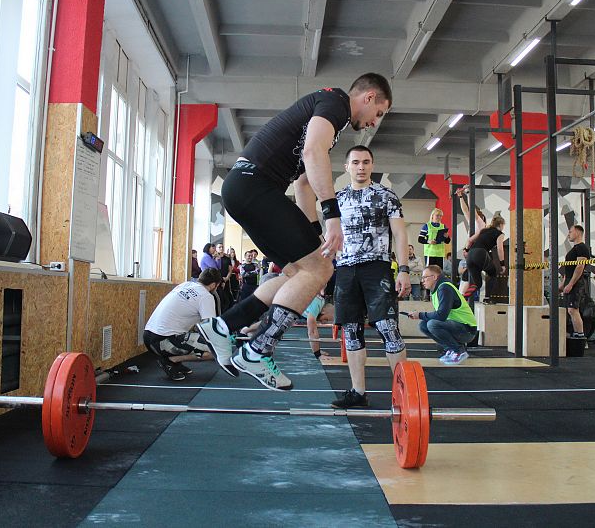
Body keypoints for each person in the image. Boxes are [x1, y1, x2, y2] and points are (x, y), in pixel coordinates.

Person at [196, 73, 392, 391]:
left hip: (242, 188)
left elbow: (303, 183)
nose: (374, 122)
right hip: (255, 186)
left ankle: (224, 325)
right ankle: (258, 350)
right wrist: (332, 216)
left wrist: (314, 233)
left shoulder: (329, 115)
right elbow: (313, 153)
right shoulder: (336, 103)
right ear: (368, 97)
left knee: (298, 273)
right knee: (321, 269)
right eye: (378, 113)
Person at [331, 145, 410, 409]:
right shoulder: (337, 199)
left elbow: (400, 234)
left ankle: (404, 396)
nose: (361, 167)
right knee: (351, 331)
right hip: (345, 269)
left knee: (388, 328)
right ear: (347, 167)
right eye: (355, 162)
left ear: (372, 165)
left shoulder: (387, 196)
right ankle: (358, 392)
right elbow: (330, 238)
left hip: (377, 268)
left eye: (365, 162)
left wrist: (404, 270)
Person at [143, 268, 221, 380]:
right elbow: (209, 328)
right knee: (217, 348)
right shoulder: (206, 296)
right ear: (213, 285)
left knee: (187, 335)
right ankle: (172, 360)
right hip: (163, 342)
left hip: (148, 337)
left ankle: (174, 361)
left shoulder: (185, 285)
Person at [402, 265, 477, 364]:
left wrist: (420, 315)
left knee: (432, 324)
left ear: (434, 277)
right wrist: (421, 316)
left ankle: (458, 351)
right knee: (423, 325)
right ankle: (451, 349)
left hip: (467, 330)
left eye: (425, 277)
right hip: (458, 326)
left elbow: (441, 315)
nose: (422, 281)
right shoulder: (437, 289)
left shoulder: (444, 288)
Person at [463, 216, 506, 299]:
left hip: (470, 255)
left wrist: (466, 250)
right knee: (493, 273)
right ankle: (488, 298)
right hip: (480, 253)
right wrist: (502, 264)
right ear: (501, 225)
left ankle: (463, 298)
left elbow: (470, 240)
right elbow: (500, 249)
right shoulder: (500, 234)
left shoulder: (483, 230)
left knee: (477, 284)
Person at [560, 225, 591, 339]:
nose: (568, 234)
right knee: (570, 310)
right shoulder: (575, 249)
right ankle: (576, 335)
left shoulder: (582, 248)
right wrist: (563, 284)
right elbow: (569, 269)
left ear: (577, 233)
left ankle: (581, 337)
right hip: (570, 281)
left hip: (576, 283)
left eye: (570, 232)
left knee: (573, 310)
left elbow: (579, 267)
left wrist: (571, 284)